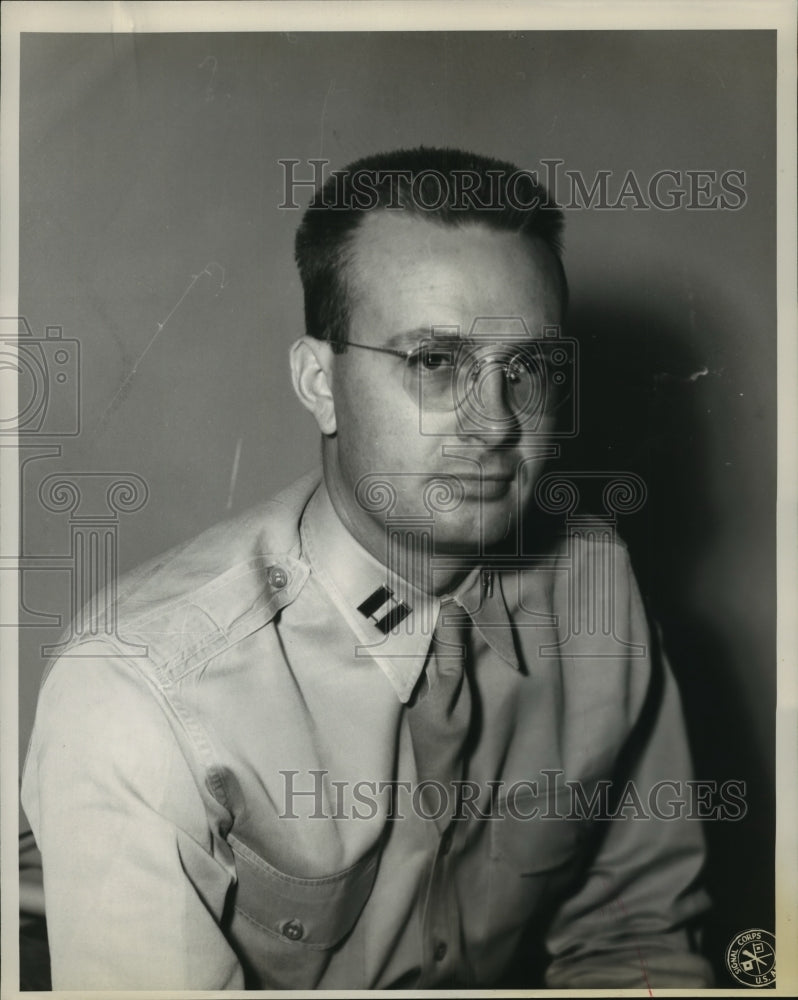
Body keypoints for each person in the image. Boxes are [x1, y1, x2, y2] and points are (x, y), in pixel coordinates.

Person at [21, 147, 714, 989]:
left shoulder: (594, 586)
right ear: (319, 381)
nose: (493, 424)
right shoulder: (137, 687)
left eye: (526, 369)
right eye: (434, 362)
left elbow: (633, 937)